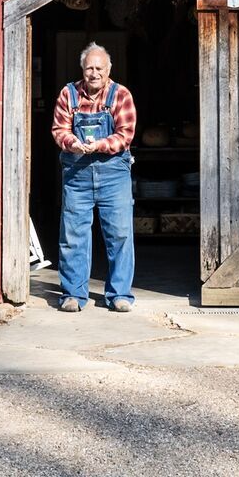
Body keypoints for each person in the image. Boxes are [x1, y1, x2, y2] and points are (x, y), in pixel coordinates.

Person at [51, 43, 137, 312]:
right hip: (77, 174)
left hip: (113, 174)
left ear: (109, 69)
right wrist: (72, 143)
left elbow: (125, 134)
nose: (94, 73)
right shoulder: (68, 94)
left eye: (100, 68)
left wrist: (99, 145)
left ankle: (119, 295)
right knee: (73, 235)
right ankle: (73, 294)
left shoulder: (121, 94)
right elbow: (59, 129)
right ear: (82, 69)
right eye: (89, 67)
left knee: (119, 234)